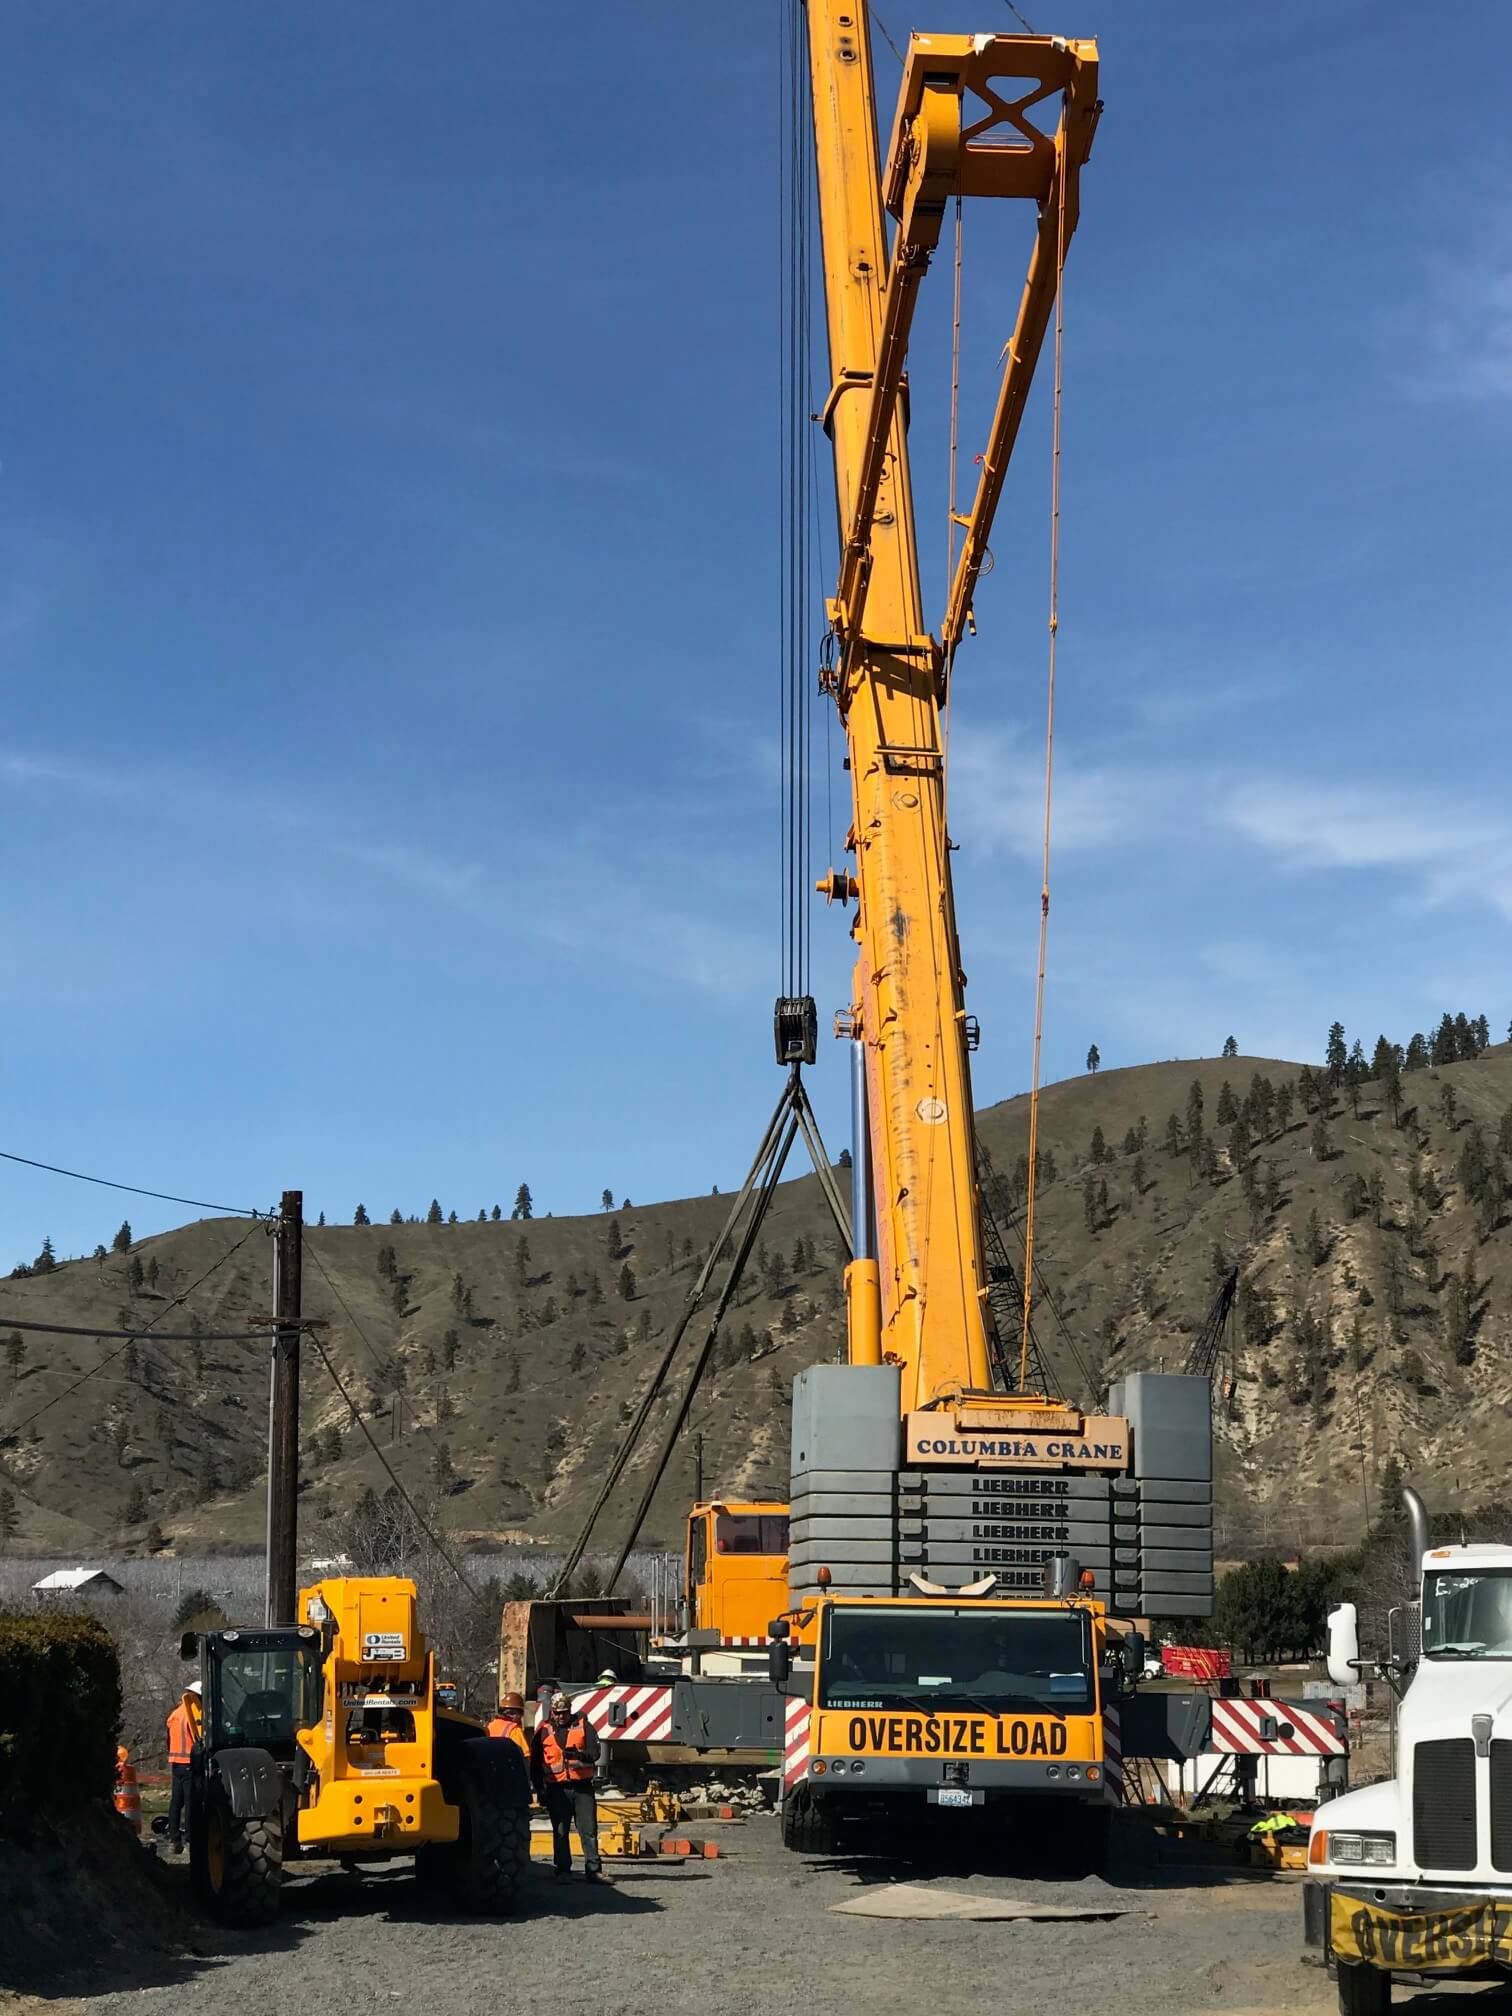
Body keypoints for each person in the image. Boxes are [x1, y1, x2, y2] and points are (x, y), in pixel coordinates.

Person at [529, 1692, 603, 1882]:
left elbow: (595, 1752)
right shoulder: (543, 1731)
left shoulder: (583, 1726)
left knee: (588, 1830)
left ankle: (593, 1870)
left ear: (570, 1711)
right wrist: (540, 1789)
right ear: (552, 1712)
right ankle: (563, 1870)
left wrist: (579, 1755)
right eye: (557, 1713)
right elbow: (535, 1764)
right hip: (557, 1789)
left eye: (564, 1712)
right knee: (560, 1831)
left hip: (582, 1787)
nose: (561, 1716)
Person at [166, 1680, 202, 1854]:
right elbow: (198, 1740)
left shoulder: (174, 1715)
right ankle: (189, 1837)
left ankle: (174, 1837)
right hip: (189, 1763)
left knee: (176, 1801)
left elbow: (169, 1740)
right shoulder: (193, 1715)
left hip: (176, 1763)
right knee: (190, 1801)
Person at [487, 1690, 531, 1763]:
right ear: (515, 1714)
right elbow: (525, 1758)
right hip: (508, 1770)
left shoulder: (490, 1726)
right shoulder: (515, 1730)